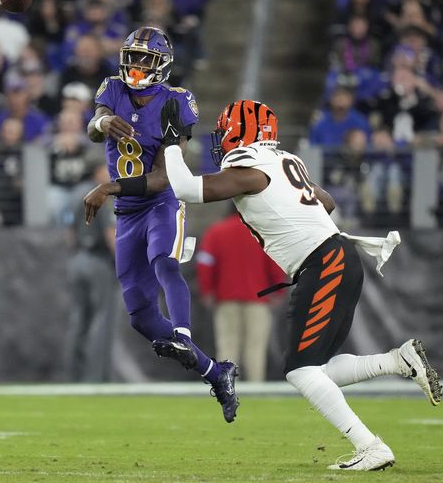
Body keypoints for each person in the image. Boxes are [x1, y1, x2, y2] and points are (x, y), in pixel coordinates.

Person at [162, 99, 443, 470]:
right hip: (337, 258)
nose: (222, 140)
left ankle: (370, 446)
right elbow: (324, 201)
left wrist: (170, 142)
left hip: (323, 262)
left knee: (301, 370)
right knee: (315, 367)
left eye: (226, 131)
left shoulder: (252, 170)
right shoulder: (284, 162)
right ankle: (397, 360)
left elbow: (183, 187)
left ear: (240, 132)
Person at [82, 26, 239, 423]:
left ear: (162, 65)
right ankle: (215, 372)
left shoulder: (176, 102)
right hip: (126, 213)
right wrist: (102, 125)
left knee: (164, 262)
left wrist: (109, 186)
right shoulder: (112, 88)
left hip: (159, 202)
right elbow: (94, 122)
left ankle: (183, 334)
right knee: (138, 313)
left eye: (144, 60)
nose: (135, 66)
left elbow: (163, 177)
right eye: (131, 58)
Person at [196, 208, 287, 382]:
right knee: (255, 348)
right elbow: (276, 262)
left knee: (227, 346)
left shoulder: (216, 231)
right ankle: (255, 389)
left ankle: (227, 389)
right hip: (258, 300)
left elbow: (205, 263)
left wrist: (207, 291)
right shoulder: (261, 232)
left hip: (225, 300)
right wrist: (278, 291)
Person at [64, 158, 120, 382]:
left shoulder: (76, 195)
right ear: (98, 171)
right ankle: (96, 378)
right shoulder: (101, 196)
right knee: (102, 320)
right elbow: (110, 236)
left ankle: (73, 376)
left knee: (78, 319)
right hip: (98, 261)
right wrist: (124, 264)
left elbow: (68, 234)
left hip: (77, 259)